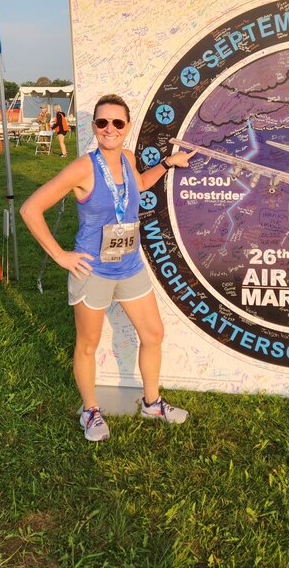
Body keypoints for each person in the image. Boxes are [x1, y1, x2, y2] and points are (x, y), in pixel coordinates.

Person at [20, 93, 196, 441]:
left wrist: (168, 163)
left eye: (117, 122)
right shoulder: (83, 167)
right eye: (102, 122)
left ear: (127, 128)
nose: (110, 129)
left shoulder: (128, 158)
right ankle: (90, 411)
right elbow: (30, 209)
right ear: (94, 127)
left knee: (153, 334)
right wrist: (60, 256)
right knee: (88, 344)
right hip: (93, 271)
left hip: (129, 265)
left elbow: (140, 185)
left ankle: (152, 402)